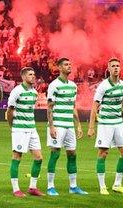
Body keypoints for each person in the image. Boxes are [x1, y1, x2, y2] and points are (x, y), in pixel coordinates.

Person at [87, 58, 123, 195]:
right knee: (103, 153)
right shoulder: (103, 86)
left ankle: (117, 184)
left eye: (118, 66)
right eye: (113, 66)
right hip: (105, 123)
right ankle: (102, 186)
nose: (116, 68)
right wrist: (91, 126)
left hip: (118, 123)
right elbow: (95, 106)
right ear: (109, 68)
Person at [45, 58, 87, 196]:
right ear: (59, 67)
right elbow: (49, 108)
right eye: (66, 64)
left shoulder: (73, 86)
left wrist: (78, 125)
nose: (69, 66)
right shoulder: (54, 85)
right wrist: (51, 127)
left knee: (72, 154)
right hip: (57, 124)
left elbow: (73, 107)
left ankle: (73, 186)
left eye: (70, 64)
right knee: (55, 153)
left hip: (69, 125)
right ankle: (50, 186)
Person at [7, 67, 44, 198]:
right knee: (17, 157)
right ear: (23, 77)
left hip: (32, 128)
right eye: (30, 74)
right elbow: (10, 111)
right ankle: (15, 189)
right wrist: (13, 127)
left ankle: (32, 187)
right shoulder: (17, 91)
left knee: (39, 158)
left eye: (34, 74)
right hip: (20, 129)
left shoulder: (34, 92)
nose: (33, 76)